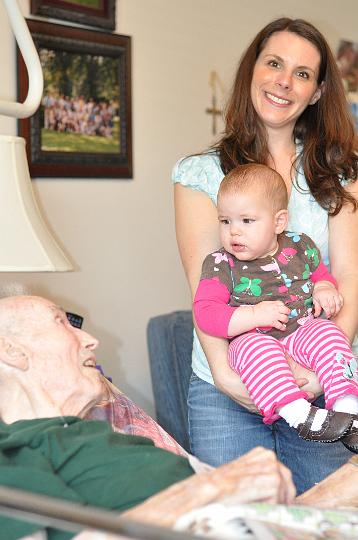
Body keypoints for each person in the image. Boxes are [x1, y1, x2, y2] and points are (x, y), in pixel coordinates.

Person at [173, 17, 358, 493]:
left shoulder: (340, 173)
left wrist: (315, 373)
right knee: (239, 521)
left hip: (320, 378)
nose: (283, 81)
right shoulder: (199, 174)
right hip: (228, 386)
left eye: (302, 73)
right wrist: (224, 373)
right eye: (274, 63)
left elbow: (350, 275)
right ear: (251, 71)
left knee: (327, 517)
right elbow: (204, 286)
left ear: (317, 92)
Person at [0, 294, 358, 540]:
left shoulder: (99, 438)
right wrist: (210, 487)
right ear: (11, 350)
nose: (90, 339)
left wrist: (330, 493)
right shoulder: (14, 449)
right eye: (62, 323)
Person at [193, 163, 358, 448]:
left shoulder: (299, 246)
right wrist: (253, 315)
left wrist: (324, 288)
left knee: (329, 334)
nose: (234, 232)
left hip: (300, 330)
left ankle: (347, 407)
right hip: (251, 339)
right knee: (259, 350)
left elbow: (321, 276)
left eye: (247, 221)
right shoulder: (220, 264)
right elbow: (205, 314)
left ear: (279, 222)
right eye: (225, 221)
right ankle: (298, 414)